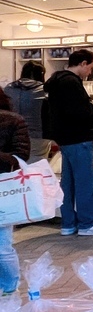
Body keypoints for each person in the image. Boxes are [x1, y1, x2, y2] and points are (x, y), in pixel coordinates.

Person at [44, 49, 93, 237]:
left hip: (65, 140)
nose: (89, 72)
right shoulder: (72, 83)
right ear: (83, 63)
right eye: (90, 68)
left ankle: (68, 224)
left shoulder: (56, 82)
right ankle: (88, 224)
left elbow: (65, 114)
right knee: (85, 183)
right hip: (79, 139)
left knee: (68, 184)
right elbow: (80, 113)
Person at [0, 91, 30, 293]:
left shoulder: (12, 120)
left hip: (4, 187)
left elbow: (20, 157)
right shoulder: (14, 119)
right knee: (3, 245)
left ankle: (10, 289)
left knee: (3, 245)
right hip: (4, 188)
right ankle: (10, 289)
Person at [4, 60, 50, 162]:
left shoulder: (8, 89)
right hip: (38, 135)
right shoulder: (44, 90)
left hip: (11, 135)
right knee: (37, 166)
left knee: (16, 165)